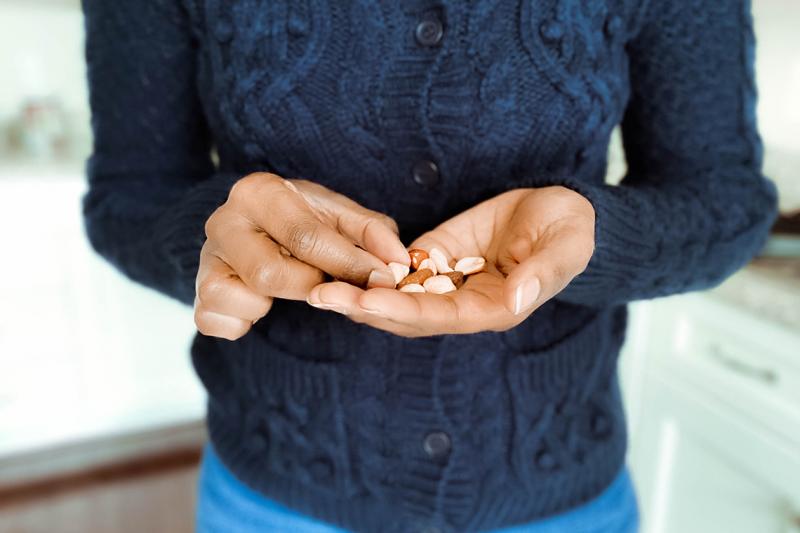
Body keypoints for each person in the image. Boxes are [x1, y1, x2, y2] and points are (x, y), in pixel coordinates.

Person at [79, 1, 777, 532]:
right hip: (279, 490)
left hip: (558, 488)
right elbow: (128, 197)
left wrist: (600, 235)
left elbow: (726, 198)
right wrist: (215, 233)